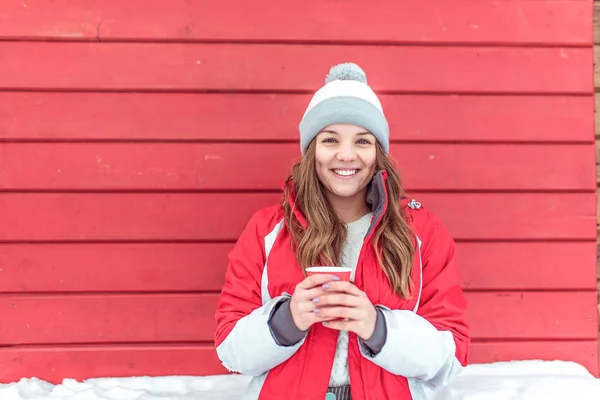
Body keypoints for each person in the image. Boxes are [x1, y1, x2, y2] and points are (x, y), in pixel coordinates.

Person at [214, 62, 470, 400]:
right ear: (311, 151)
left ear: (379, 153)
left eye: (362, 141)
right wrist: (285, 320)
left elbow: (450, 357)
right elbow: (231, 350)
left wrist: (378, 328)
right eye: (330, 139)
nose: (346, 155)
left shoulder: (423, 233)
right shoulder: (267, 230)